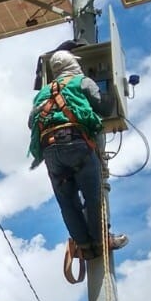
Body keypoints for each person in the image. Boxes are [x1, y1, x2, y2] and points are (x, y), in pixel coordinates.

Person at [28, 49, 128, 259]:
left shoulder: (43, 93)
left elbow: (31, 122)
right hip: (77, 143)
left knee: (67, 203)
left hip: (50, 151)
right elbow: (104, 107)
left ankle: (84, 246)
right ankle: (101, 241)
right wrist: (111, 86)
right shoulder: (82, 81)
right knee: (92, 197)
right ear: (72, 64)